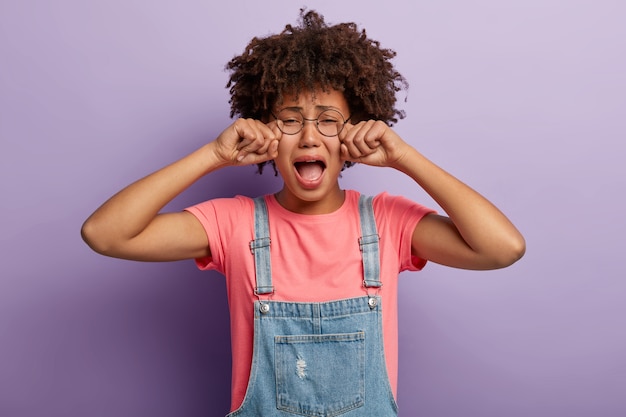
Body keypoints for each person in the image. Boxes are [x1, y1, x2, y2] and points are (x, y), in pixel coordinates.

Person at [81, 9, 525, 417]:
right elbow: (105, 234)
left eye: (328, 119)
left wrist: (404, 157)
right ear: (264, 132)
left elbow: (502, 248)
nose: (310, 137)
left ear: (354, 131)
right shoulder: (234, 224)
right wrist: (214, 154)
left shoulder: (387, 222)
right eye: (290, 119)